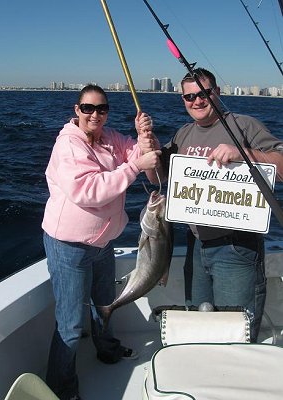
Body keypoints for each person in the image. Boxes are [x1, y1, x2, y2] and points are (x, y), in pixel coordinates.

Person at [138, 67, 283, 343]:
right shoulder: (183, 133)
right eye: (189, 97)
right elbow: (158, 177)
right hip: (196, 245)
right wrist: (148, 150)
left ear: (216, 93)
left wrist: (246, 155)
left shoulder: (244, 124)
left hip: (237, 248)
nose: (197, 101)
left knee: (234, 334)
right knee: (198, 327)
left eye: (203, 94)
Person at [42, 83, 160, 400]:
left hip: (103, 243)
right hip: (69, 247)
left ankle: (107, 350)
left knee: (104, 305)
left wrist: (143, 137)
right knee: (68, 324)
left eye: (102, 109)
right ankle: (62, 388)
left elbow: (136, 153)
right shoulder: (69, 146)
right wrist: (135, 165)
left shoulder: (109, 139)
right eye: (88, 108)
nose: (95, 114)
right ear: (76, 110)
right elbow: (88, 191)